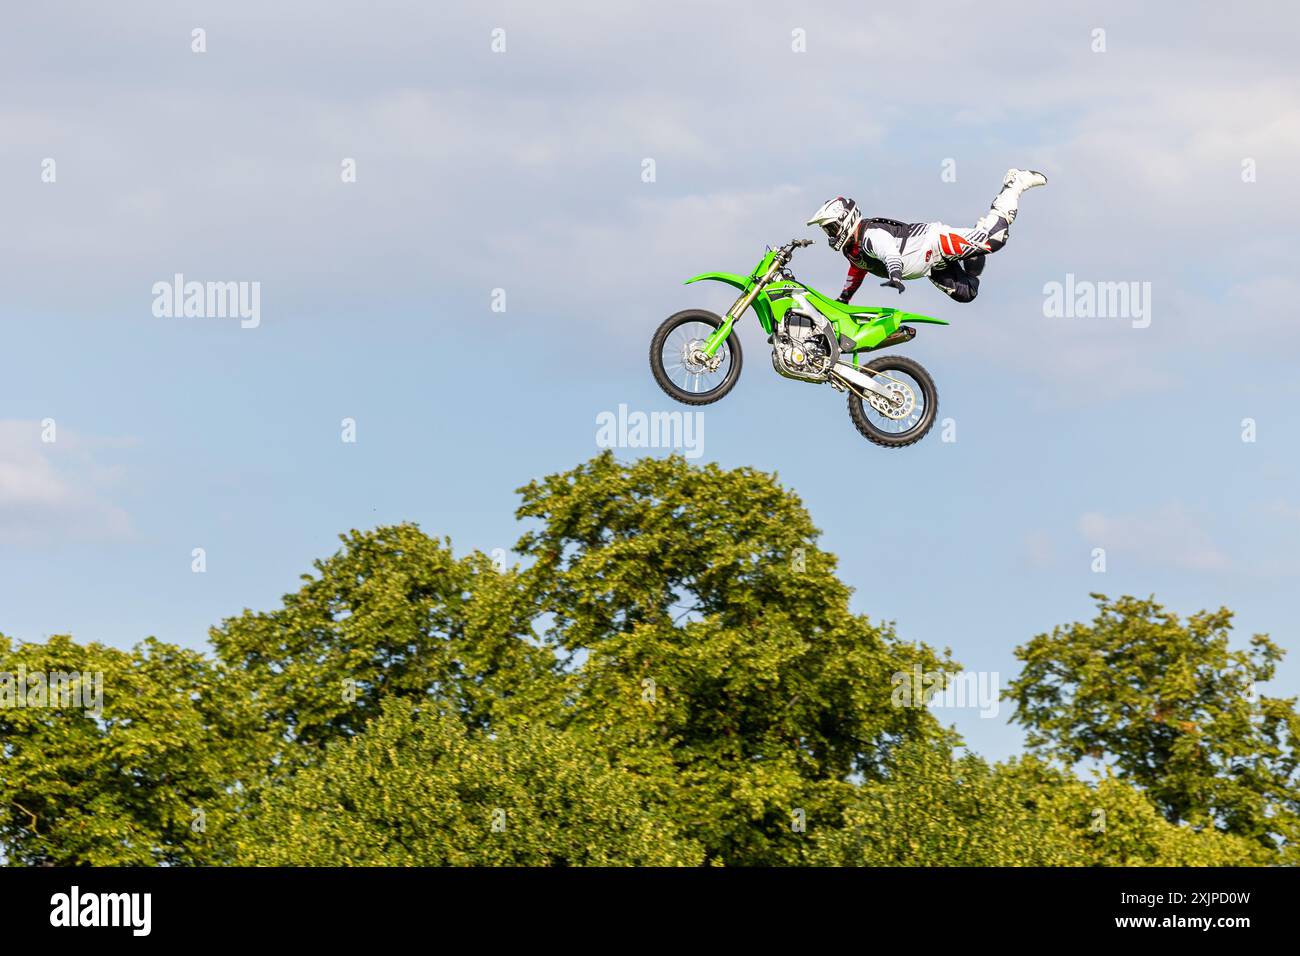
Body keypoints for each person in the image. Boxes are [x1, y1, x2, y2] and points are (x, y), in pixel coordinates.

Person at [806, 168, 1047, 303]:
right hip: (932, 266)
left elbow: (888, 252)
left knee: (996, 237)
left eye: (831, 227)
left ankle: (1015, 183)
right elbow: (858, 268)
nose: (831, 234)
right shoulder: (853, 248)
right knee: (968, 293)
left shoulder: (869, 235)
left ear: (846, 220)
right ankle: (976, 238)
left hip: (935, 243)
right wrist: (844, 297)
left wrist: (895, 275)